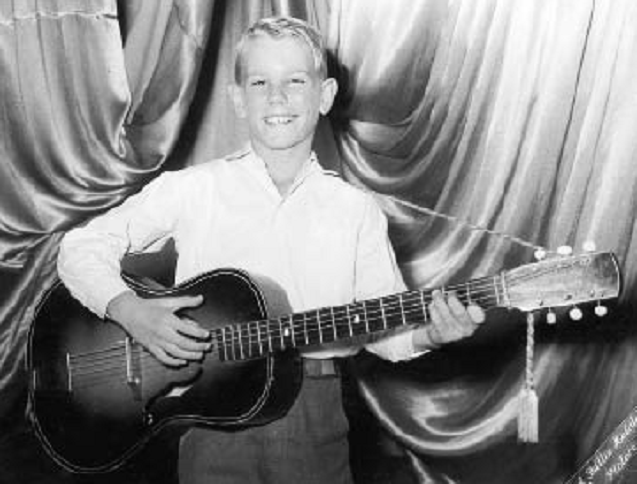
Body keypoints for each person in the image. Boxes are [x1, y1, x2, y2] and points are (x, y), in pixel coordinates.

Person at [57, 16, 485, 484]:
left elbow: (386, 332)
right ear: (238, 99)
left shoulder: (356, 210)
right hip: (209, 417)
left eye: (296, 81)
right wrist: (129, 309)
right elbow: (79, 247)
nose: (277, 97)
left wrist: (430, 335)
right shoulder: (193, 189)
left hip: (315, 417)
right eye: (260, 82)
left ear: (325, 95)